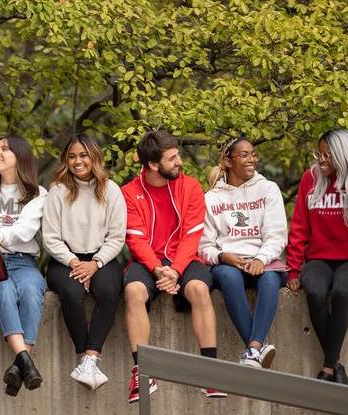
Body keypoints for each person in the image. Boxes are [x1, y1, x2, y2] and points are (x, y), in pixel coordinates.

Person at [121, 131, 223, 403]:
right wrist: (157, 269)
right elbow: (136, 239)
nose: (179, 161)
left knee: (200, 289)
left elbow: (192, 235)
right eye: (172, 158)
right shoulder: (129, 193)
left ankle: (210, 372)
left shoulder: (190, 187)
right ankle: (142, 372)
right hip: (148, 261)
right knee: (133, 291)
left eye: (177, 155)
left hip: (184, 259)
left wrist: (175, 270)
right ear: (153, 165)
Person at [286, 129, 348, 384]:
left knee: (342, 293)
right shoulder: (311, 179)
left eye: (327, 155)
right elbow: (299, 226)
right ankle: (335, 365)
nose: (321, 160)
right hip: (319, 259)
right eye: (319, 154)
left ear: (344, 156)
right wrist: (294, 270)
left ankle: (328, 368)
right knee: (315, 291)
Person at [42, 136, 126, 390]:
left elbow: (117, 236)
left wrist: (96, 263)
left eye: (83, 155)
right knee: (70, 292)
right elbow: (50, 237)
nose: (78, 161)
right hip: (64, 258)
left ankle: (91, 358)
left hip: (102, 257)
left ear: (94, 157)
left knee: (109, 290)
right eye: (72, 156)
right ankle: (84, 355)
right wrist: (74, 262)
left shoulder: (111, 190)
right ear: (66, 160)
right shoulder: (58, 191)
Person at [0, 135, 49, 397]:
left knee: (29, 291)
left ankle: (18, 366)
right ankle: (26, 363)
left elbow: (26, 230)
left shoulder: (37, 193)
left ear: (20, 156)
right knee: (4, 291)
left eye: (5, 149)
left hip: (24, 262)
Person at [199, 137, 288, 369]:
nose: (251, 160)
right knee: (229, 277)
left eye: (253, 154)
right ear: (228, 161)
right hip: (228, 262)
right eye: (244, 155)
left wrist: (261, 258)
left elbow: (277, 235)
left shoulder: (268, 189)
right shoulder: (211, 198)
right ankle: (255, 350)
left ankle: (253, 349)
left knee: (269, 279)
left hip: (264, 260)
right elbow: (204, 246)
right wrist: (222, 256)